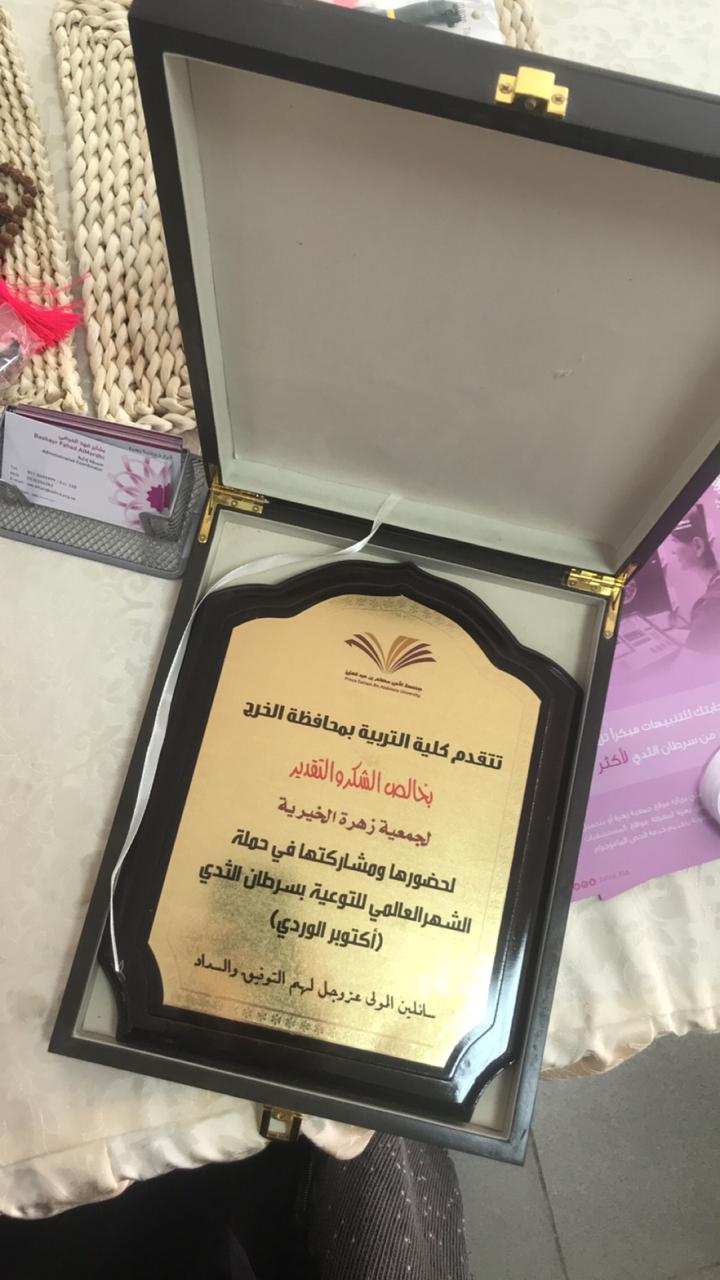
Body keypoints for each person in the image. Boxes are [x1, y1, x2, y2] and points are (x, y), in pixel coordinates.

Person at [669, 502, 720, 653]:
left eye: (675, 542)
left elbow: (690, 662)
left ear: (698, 546)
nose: (673, 551)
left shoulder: (710, 607)